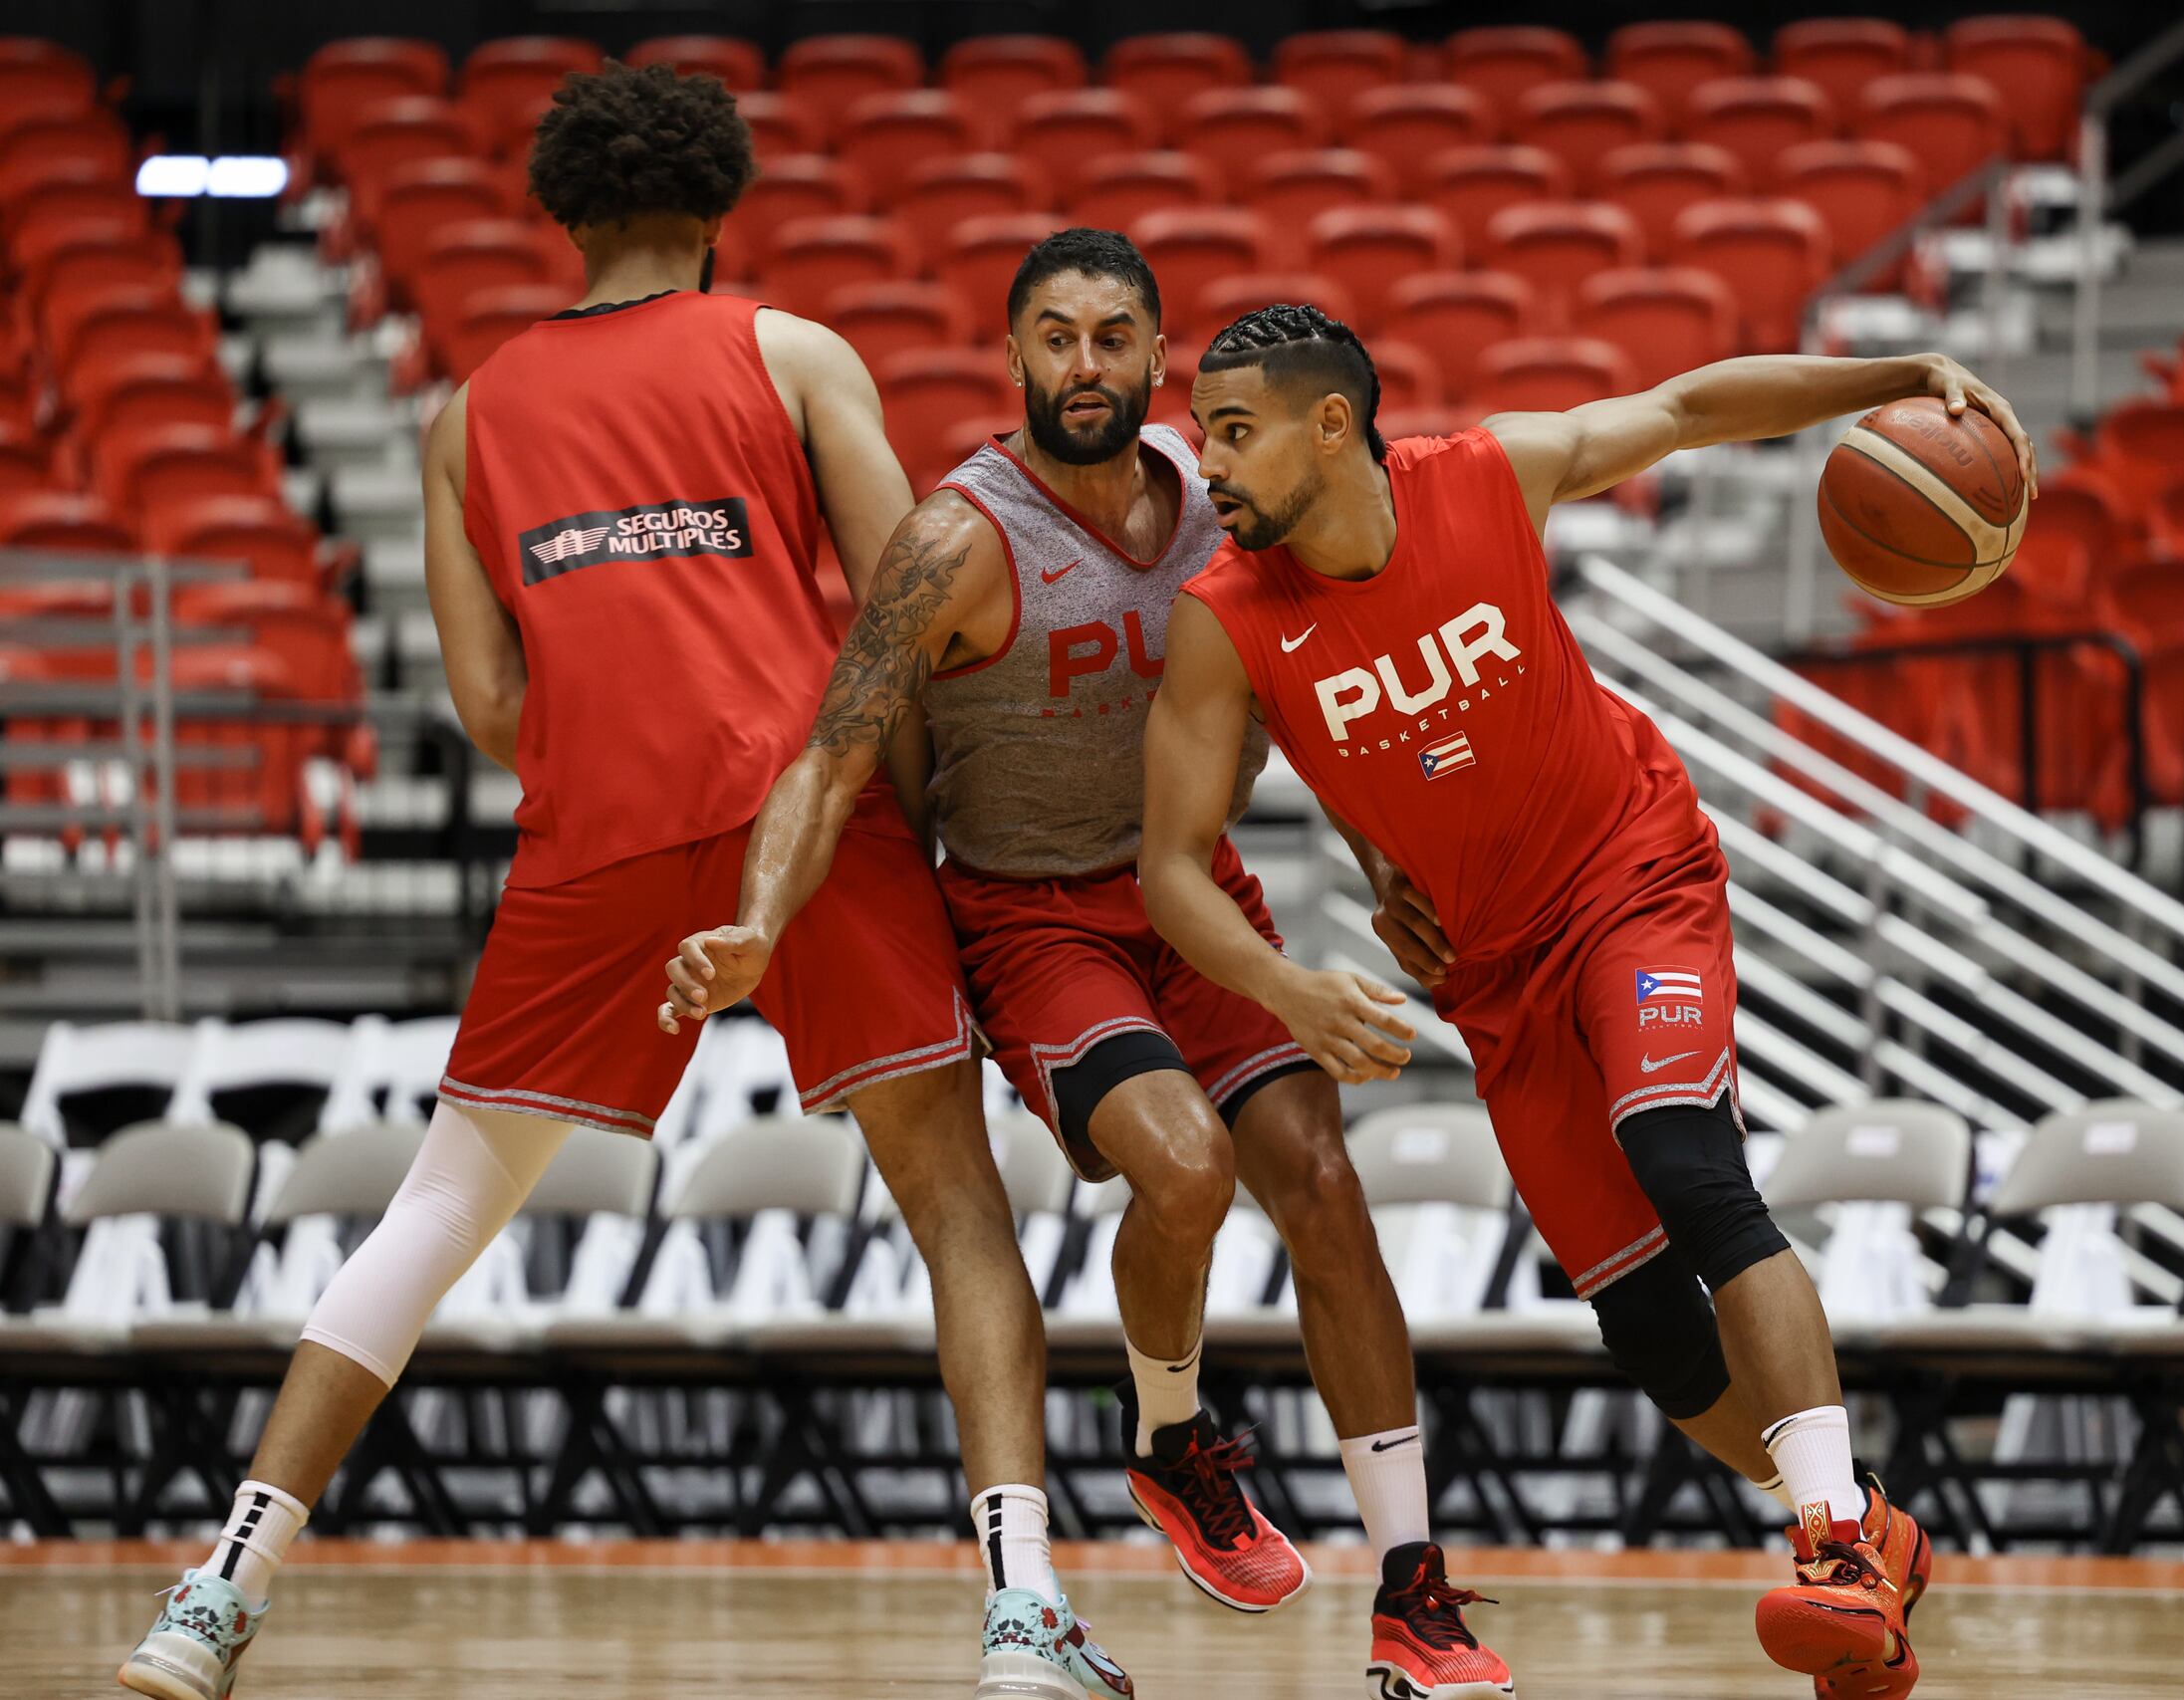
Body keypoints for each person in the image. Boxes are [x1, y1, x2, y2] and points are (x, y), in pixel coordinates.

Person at [117, 65, 1127, 1700]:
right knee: (955, 1211)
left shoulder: (468, 415)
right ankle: (1024, 1619)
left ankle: (215, 1595)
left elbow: (493, 707)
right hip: (812, 813)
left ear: (562, 216)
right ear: (718, 210)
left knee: (436, 1212)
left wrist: (618, 772)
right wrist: (913, 825)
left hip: (595, 832)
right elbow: (908, 612)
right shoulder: (791, 352)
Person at [659, 230, 1515, 1700]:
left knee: (1319, 1176)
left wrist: (1385, 876)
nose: (1084, 367)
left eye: (1114, 337)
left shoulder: (1228, 500)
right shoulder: (955, 539)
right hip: (1035, 916)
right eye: (1055, 338)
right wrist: (758, 924)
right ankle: (1173, 1433)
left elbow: (1316, 693)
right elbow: (829, 755)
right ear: (1012, 358)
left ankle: (1413, 1591)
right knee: (1181, 1169)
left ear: (1160, 355)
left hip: (1199, 890)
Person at [1140, 304, 2040, 1700]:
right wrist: (1289, 986)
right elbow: (1168, 867)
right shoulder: (1226, 623)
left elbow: (1688, 409)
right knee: (1657, 1340)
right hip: (1493, 976)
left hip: (1632, 874)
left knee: (1683, 1153)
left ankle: (1829, 1548)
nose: (1214, 466)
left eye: (1237, 433)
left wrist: (1905, 371)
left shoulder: (1489, 476)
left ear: (1334, 425)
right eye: (1207, 437)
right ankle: (1866, 1520)